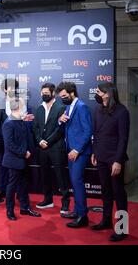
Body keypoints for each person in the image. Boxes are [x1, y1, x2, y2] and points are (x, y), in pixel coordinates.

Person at [91, 82, 130, 242]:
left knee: (118, 193)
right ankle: (106, 221)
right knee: (105, 191)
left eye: (99, 91)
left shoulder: (122, 112)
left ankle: (122, 228)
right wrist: (94, 152)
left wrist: (118, 160)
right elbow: (96, 134)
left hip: (114, 159)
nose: (97, 94)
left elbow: (123, 138)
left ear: (108, 93)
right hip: (100, 157)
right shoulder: (98, 110)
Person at [57, 81, 92, 228]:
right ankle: (77, 211)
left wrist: (77, 149)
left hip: (79, 152)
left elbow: (87, 131)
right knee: (74, 181)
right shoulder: (68, 106)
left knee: (77, 181)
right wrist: (60, 120)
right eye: (61, 97)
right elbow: (69, 127)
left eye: (64, 96)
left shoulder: (82, 107)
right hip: (70, 151)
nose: (62, 98)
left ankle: (83, 216)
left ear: (72, 93)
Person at [33, 83, 70, 214]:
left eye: (46, 93)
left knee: (61, 176)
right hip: (42, 148)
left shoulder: (61, 108)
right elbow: (36, 128)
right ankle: (48, 200)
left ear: (53, 93)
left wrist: (47, 141)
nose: (44, 95)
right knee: (45, 175)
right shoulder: (38, 109)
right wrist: (40, 141)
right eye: (42, 92)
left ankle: (65, 203)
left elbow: (60, 129)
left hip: (56, 147)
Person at [2, 97, 41, 220]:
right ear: (18, 107)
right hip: (14, 160)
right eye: (23, 106)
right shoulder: (8, 123)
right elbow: (9, 144)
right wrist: (24, 153)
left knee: (24, 185)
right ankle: (10, 210)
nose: (25, 108)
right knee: (12, 186)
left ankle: (25, 208)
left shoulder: (20, 120)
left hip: (23, 160)